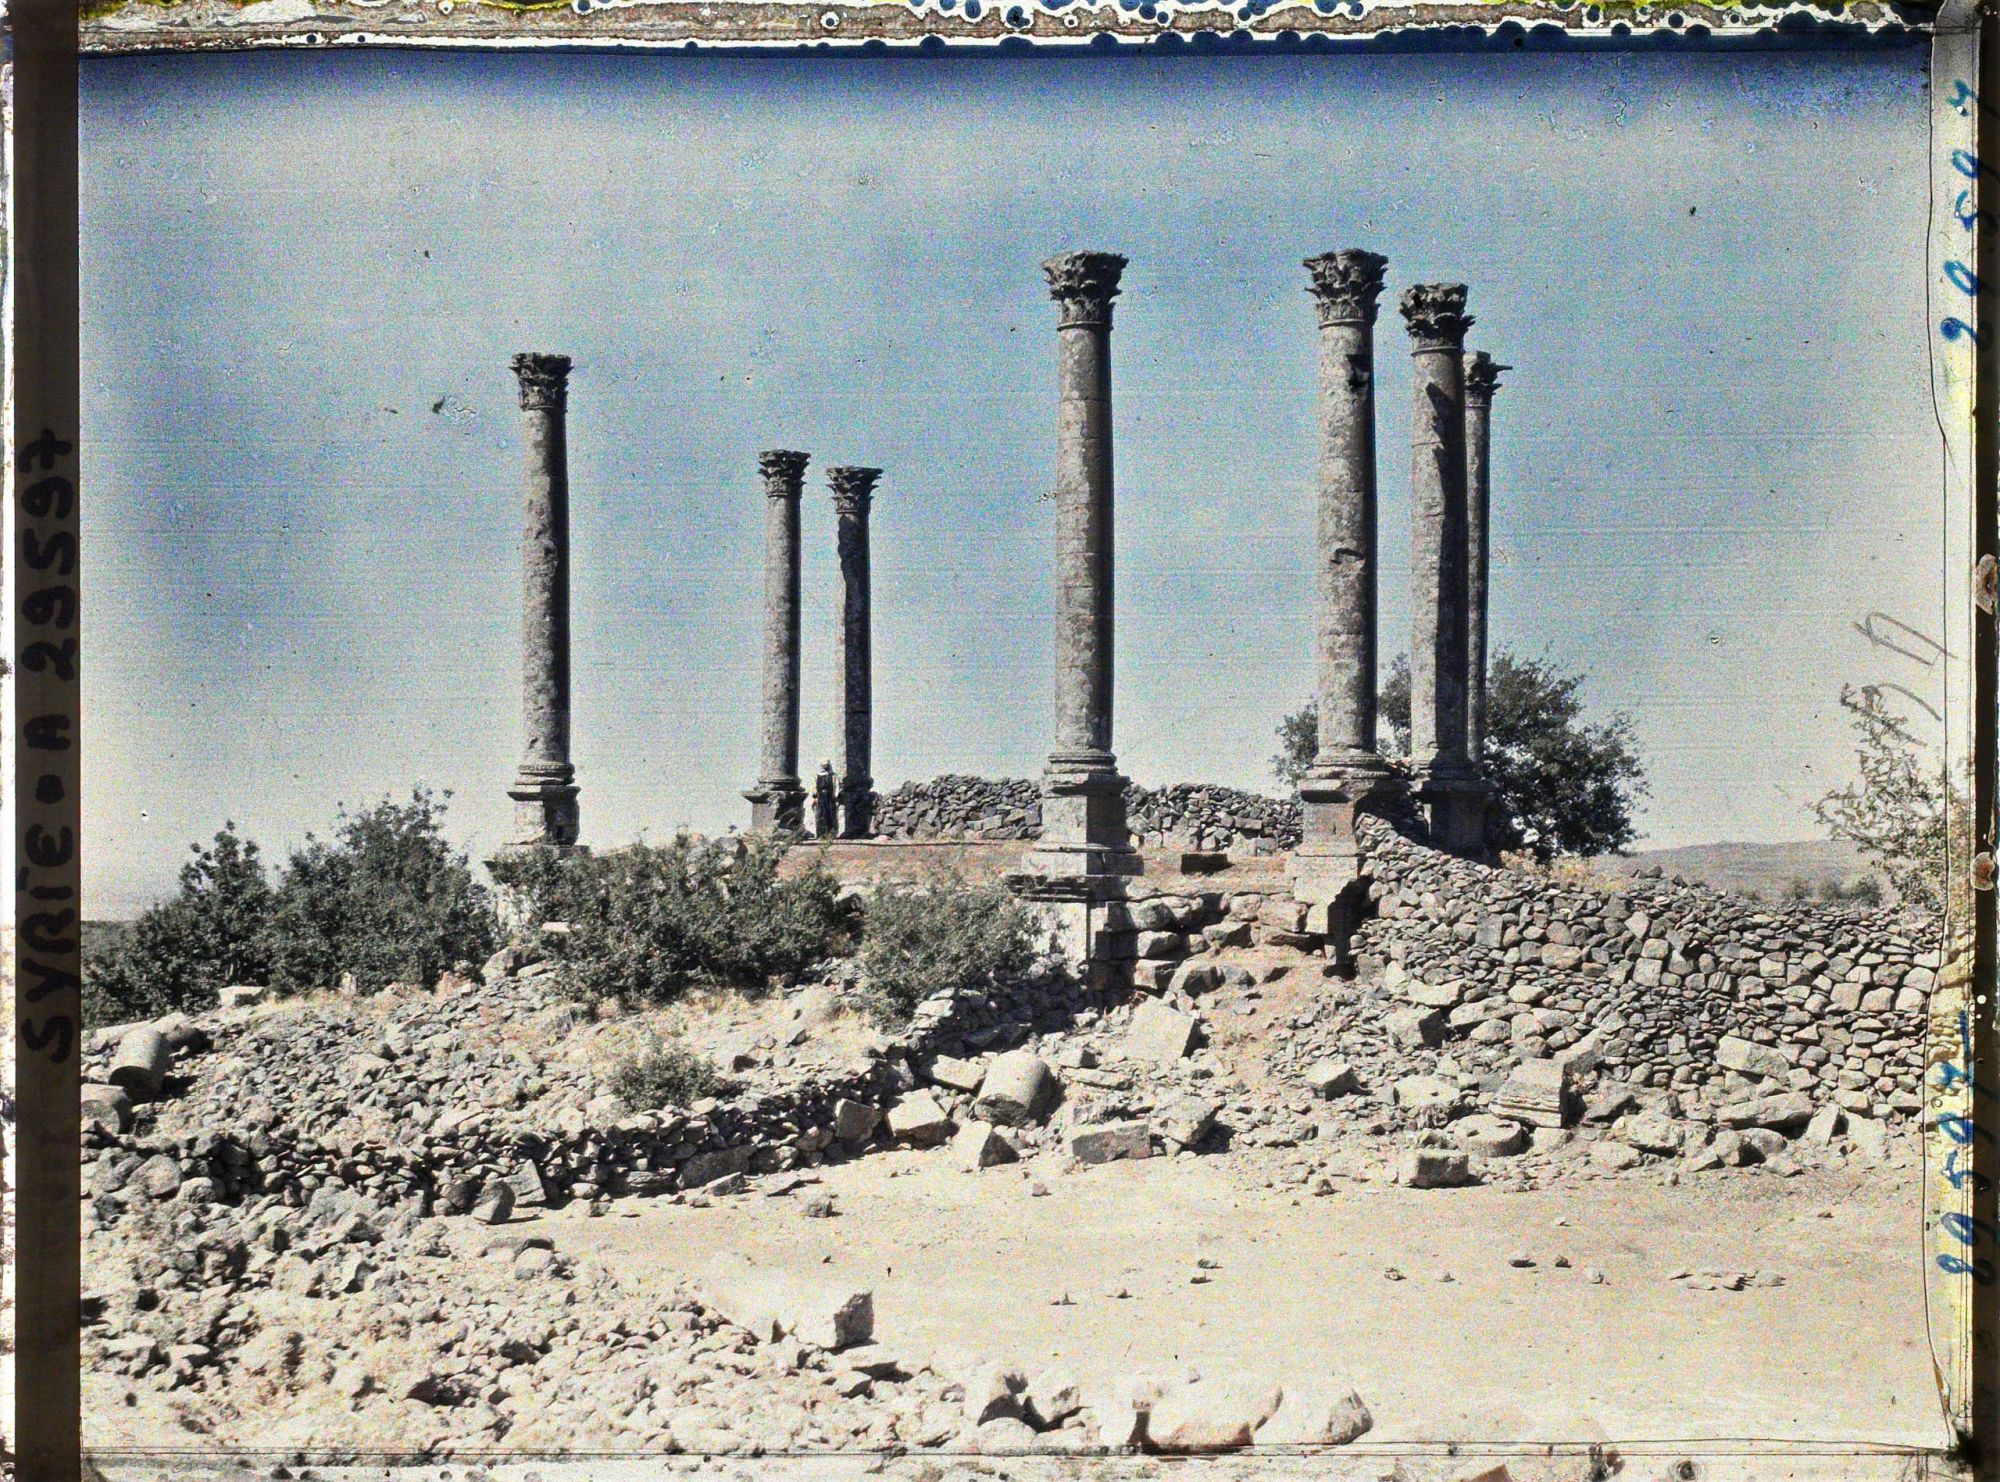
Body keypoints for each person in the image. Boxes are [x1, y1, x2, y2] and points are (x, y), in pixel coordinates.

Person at [812, 762, 839, 839]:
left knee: (831, 814)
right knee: (821, 815)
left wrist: (836, 796)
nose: (825, 767)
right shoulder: (817, 775)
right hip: (820, 797)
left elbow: (836, 786)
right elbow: (814, 786)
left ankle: (831, 834)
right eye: (823, 766)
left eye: (826, 766)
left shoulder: (833, 776)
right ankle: (821, 834)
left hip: (830, 797)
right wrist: (815, 796)